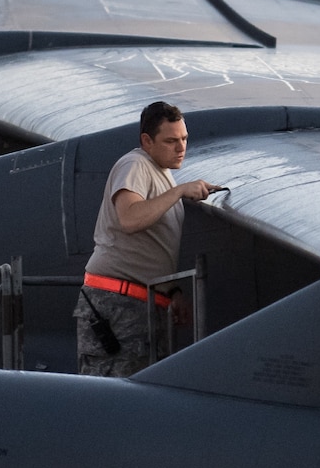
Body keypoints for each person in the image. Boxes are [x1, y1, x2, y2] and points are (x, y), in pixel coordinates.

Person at [74, 101, 217, 376]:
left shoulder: (161, 172)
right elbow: (130, 218)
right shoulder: (135, 164)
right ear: (146, 141)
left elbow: (150, 243)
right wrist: (180, 192)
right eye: (171, 141)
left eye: (184, 139)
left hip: (139, 305)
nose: (181, 148)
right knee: (115, 402)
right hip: (118, 306)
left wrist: (172, 291)